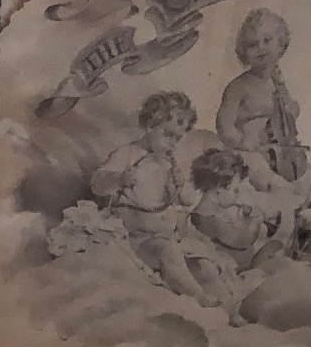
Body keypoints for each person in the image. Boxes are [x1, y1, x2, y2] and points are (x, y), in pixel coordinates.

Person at [90, 91, 230, 306]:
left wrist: (179, 185)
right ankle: (200, 299)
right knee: (168, 252)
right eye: (167, 134)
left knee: (204, 266)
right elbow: (97, 185)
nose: (172, 143)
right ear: (150, 125)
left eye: (177, 138)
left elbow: (186, 200)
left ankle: (229, 309)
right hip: (136, 241)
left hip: (168, 237)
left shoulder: (168, 163)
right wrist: (119, 179)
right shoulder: (128, 154)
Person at [216, 10, 307, 185]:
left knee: (304, 181)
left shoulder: (278, 82)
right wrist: (243, 142)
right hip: (247, 153)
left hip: (279, 153)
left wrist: (282, 90)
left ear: (280, 44)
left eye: (267, 40)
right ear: (243, 52)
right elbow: (224, 127)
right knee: (268, 182)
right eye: (253, 44)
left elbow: (291, 114)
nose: (261, 48)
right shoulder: (238, 87)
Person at [188, 146, 284, 273]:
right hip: (236, 270)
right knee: (276, 249)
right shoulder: (206, 219)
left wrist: (243, 218)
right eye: (235, 190)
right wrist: (255, 221)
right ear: (220, 187)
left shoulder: (215, 211)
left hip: (239, 264)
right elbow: (242, 241)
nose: (237, 195)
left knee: (276, 247)